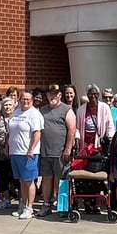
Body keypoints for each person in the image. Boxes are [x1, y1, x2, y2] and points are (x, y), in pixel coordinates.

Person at [37, 84, 76, 218]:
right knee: (46, 179)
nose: (53, 96)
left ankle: (62, 206)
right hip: (45, 151)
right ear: (47, 95)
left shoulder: (67, 110)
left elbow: (71, 130)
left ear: (60, 95)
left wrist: (68, 148)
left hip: (61, 152)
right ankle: (46, 205)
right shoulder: (42, 110)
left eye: (55, 94)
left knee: (62, 180)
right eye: (50, 94)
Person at [7, 90, 43, 220]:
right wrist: (8, 146)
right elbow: (10, 132)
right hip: (15, 152)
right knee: (21, 180)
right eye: (23, 99)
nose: (25, 101)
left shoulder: (34, 114)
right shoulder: (16, 112)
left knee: (29, 181)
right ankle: (22, 204)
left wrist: (31, 149)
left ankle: (29, 208)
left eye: (28, 99)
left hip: (28, 153)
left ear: (32, 100)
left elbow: (37, 133)